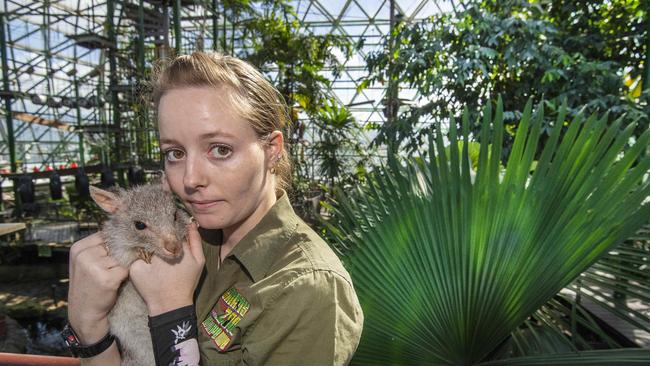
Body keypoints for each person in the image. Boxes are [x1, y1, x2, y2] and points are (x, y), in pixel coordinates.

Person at [66, 51, 364, 365]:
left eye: (220, 149)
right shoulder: (189, 237)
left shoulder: (307, 289)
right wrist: (89, 330)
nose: (190, 179)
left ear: (272, 151)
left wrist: (171, 312)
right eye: (175, 153)